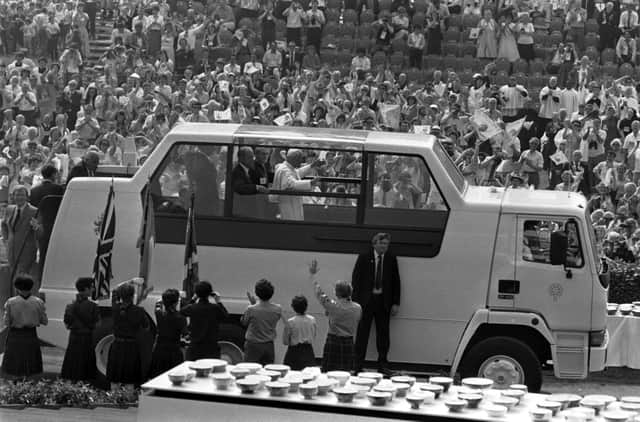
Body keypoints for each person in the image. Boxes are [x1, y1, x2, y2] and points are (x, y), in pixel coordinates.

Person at [351, 232, 400, 374]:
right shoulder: (364, 257)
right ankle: (357, 365)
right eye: (382, 243)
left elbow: (396, 281)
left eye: (386, 244)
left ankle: (383, 365)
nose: (385, 247)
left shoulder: (391, 258)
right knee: (362, 334)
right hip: (366, 302)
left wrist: (396, 303)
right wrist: (355, 303)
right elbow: (356, 280)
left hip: (383, 302)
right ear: (375, 243)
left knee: (383, 335)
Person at [309, 259, 361, 372]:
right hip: (348, 341)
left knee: (329, 371)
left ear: (337, 293)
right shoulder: (357, 307)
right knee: (346, 372)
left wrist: (313, 275)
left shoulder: (332, 306)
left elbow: (318, 291)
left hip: (333, 340)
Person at [1, 275, 47, 377]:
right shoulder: (38, 302)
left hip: (15, 334)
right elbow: (44, 321)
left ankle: (16, 385)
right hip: (31, 334)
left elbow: (7, 322)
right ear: (31, 287)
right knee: (30, 363)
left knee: (15, 364)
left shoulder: (11, 302)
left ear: (17, 287)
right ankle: (27, 384)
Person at [107, 282, 150, 388]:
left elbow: (115, 291)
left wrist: (129, 281)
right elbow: (146, 327)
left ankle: (113, 400)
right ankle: (128, 400)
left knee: (114, 377)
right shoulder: (139, 311)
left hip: (117, 345)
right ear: (132, 295)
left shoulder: (115, 308)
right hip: (131, 346)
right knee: (129, 378)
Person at [60, 277, 100, 381]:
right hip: (87, 338)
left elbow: (67, 323)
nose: (93, 290)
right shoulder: (93, 306)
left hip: (74, 338)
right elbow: (96, 324)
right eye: (91, 287)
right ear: (86, 289)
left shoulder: (70, 306)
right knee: (86, 367)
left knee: (72, 364)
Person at [180, 281, 228, 360]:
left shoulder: (192, 308)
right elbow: (225, 316)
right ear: (210, 293)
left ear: (196, 293)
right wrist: (218, 301)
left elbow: (182, 311)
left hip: (195, 347)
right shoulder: (215, 308)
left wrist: (193, 299)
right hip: (211, 348)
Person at [1, 185, 39, 282]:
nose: (19, 197)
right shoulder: (9, 209)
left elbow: (40, 230)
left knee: (22, 278)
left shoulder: (34, 211)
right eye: (17, 195)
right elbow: (4, 224)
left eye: (22, 195)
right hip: (11, 250)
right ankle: (14, 296)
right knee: (13, 276)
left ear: (27, 197)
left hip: (26, 251)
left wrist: (36, 227)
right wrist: (6, 239)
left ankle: (20, 296)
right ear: (13, 197)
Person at [242, 278, 283, 365]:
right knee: (267, 372)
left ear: (257, 293)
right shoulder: (278, 309)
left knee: (250, 370)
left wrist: (252, 304)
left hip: (253, 345)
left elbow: (244, 322)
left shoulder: (251, 309)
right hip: (269, 345)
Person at [271, 149, 319, 221]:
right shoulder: (284, 170)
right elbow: (291, 184)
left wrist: (312, 165)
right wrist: (310, 182)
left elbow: (298, 173)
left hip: (291, 204)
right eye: (300, 159)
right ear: (294, 159)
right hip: (287, 206)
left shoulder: (288, 168)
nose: (301, 162)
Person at [150, 288, 187, 377]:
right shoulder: (181, 317)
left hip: (159, 350)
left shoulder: (159, 313)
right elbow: (185, 334)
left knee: (158, 377)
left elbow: (158, 303)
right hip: (174, 351)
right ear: (176, 302)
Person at [282, 295, 317, 370]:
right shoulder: (312, 320)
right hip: (308, 351)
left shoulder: (291, 322)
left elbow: (285, 341)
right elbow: (314, 336)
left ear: (293, 307)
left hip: (294, 352)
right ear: (306, 306)